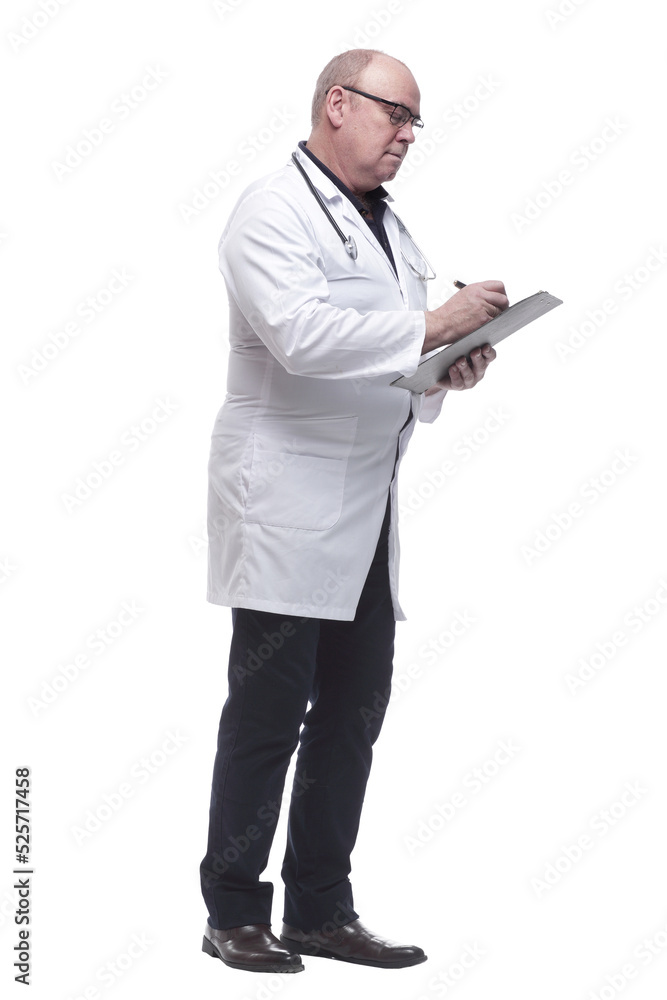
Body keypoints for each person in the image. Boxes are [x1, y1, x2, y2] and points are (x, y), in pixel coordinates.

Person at [199, 48, 508, 975]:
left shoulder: (388, 225)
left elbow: (383, 353)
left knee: (350, 715)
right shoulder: (270, 212)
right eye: (394, 113)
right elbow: (301, 338)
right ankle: (232, 912)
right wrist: (435, 325)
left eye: (414, 121)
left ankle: (319, 911)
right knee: (267, 715)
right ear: (337, 103)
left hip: (365, 508)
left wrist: (442, 371)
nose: (407, 134)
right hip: (286, 507)